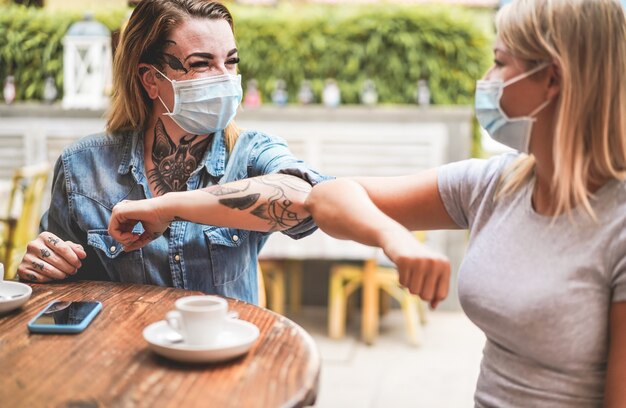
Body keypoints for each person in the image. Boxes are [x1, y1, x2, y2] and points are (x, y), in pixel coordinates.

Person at [305, 0, 626, 405]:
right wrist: (395, 237)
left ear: (552, 78)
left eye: (499, 62)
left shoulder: (618, 224)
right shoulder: (495, 184)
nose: (487, 80)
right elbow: (327, 196)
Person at [16, 0, 328, 305]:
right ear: (151, 79)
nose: (225, 78)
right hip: (120, 352)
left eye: (231, 61)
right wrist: (43, 268)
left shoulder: (249, 154)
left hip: (224, 350)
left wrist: (169, 206)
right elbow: (56, 298)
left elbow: (308, 198)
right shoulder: (82, 167)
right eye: (202, 63)